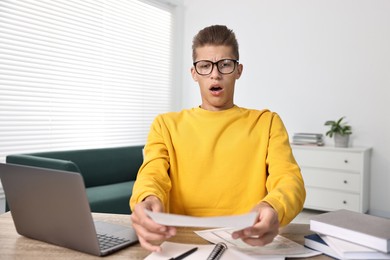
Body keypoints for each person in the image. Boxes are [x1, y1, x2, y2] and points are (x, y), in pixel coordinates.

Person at [130, 25, 306, 252]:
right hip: (180, 244)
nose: (215, 74)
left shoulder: (267, 122)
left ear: (238, 70)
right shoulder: (166, 124)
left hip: (248, 243)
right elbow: (152, 174)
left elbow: (289, 178)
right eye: (205, 66)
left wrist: (273, 206)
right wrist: (147, 199)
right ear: (194, 73)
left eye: (224, 64)